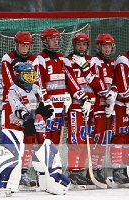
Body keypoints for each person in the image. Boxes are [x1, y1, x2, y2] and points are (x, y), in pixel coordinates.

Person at [0, 62, 71, 195]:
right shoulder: (13, 90)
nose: (30, 78)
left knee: (47, 150)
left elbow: (40, 105)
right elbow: (17, 108)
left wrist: (45, 110)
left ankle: (52, 181)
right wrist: (27, 119)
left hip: (37, 126)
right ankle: (7, 182)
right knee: (12, 152)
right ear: (18, 75)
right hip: (19, 126)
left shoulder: (36, 87)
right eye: (27, 75)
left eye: (32, 75)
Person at [34, 28, 95, 187]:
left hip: (61, 109)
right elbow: (38, 83)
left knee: (54, 142)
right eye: (52, 39)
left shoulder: (61, 58)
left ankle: (53, 172)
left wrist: (83, 98)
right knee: (44, 141)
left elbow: (71, 81)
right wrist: (46, 101)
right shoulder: (40, 59)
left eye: (57, 39)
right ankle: (41, 173)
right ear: (45, 41)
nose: (56, 42)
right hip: (47, 110)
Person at [65, 32, 110, 187]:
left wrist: (85, 67)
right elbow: (70, 82)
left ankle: (82, 171)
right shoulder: (68, 61)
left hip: (90, 107)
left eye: (84, 44)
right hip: (76, 106)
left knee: (86, 140)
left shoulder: (93, 61)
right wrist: (82, 97)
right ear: (74, 45)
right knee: (76, 139)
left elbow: (100, 85)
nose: (81, 47)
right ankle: (73, 172)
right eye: (78, 44)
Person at [0, 31, 38, 188]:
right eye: (22, 45)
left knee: (29, 140)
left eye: (27, 45)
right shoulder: (7, 58)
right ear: (16, 44)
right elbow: (9, 84)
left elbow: (37, 81)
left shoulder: (34, 59)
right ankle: (7, 174)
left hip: (30, 104)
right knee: (11, 139)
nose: (25, 48)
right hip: (11, 104)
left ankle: (23, 173)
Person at [86, 33, 117, 184]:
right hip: (98, 106)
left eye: (108, 46)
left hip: (110, 107)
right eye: (104, 46)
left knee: (106, 139)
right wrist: (106, 93)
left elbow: (116, 82)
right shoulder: (94, 61)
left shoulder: (112, 63)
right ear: (98, 47)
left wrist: (113, 96)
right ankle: (92, 170)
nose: (106, 48)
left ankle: (99, 169)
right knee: (97, 139)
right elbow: (93, 80)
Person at [109, 46, 129, 185]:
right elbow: (122, 85)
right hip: (121, 105)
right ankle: (117, 170)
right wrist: (128, 100)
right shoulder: (123, 60)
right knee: (120, 135)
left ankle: (125, 168)